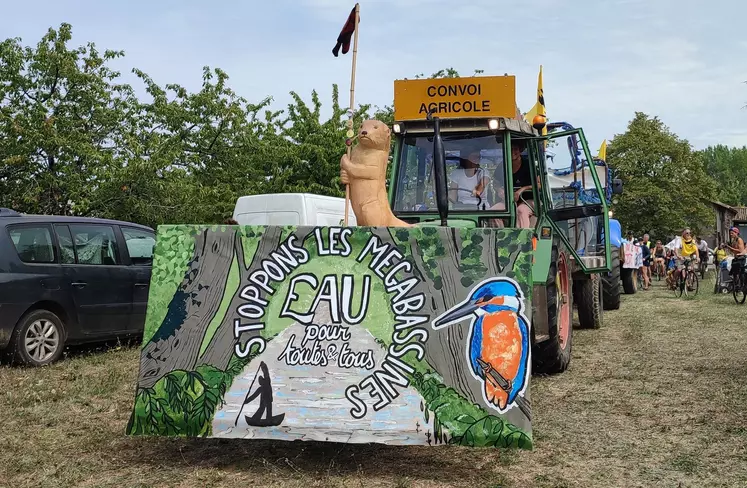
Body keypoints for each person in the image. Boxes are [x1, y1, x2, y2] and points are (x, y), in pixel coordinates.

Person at [509, 140, 534, 228]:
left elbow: (539, 185)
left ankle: (523, 239)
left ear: (520, 150)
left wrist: (521, 190)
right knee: (495, 211)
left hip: (530, 201)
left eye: (515, 149)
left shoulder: (529, 165)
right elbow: (496, 182)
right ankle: (500, 237)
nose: (512, 152)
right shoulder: (502, 165)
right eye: (510, 149)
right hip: (509, 202)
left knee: (521, 210)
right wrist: (499, 190)